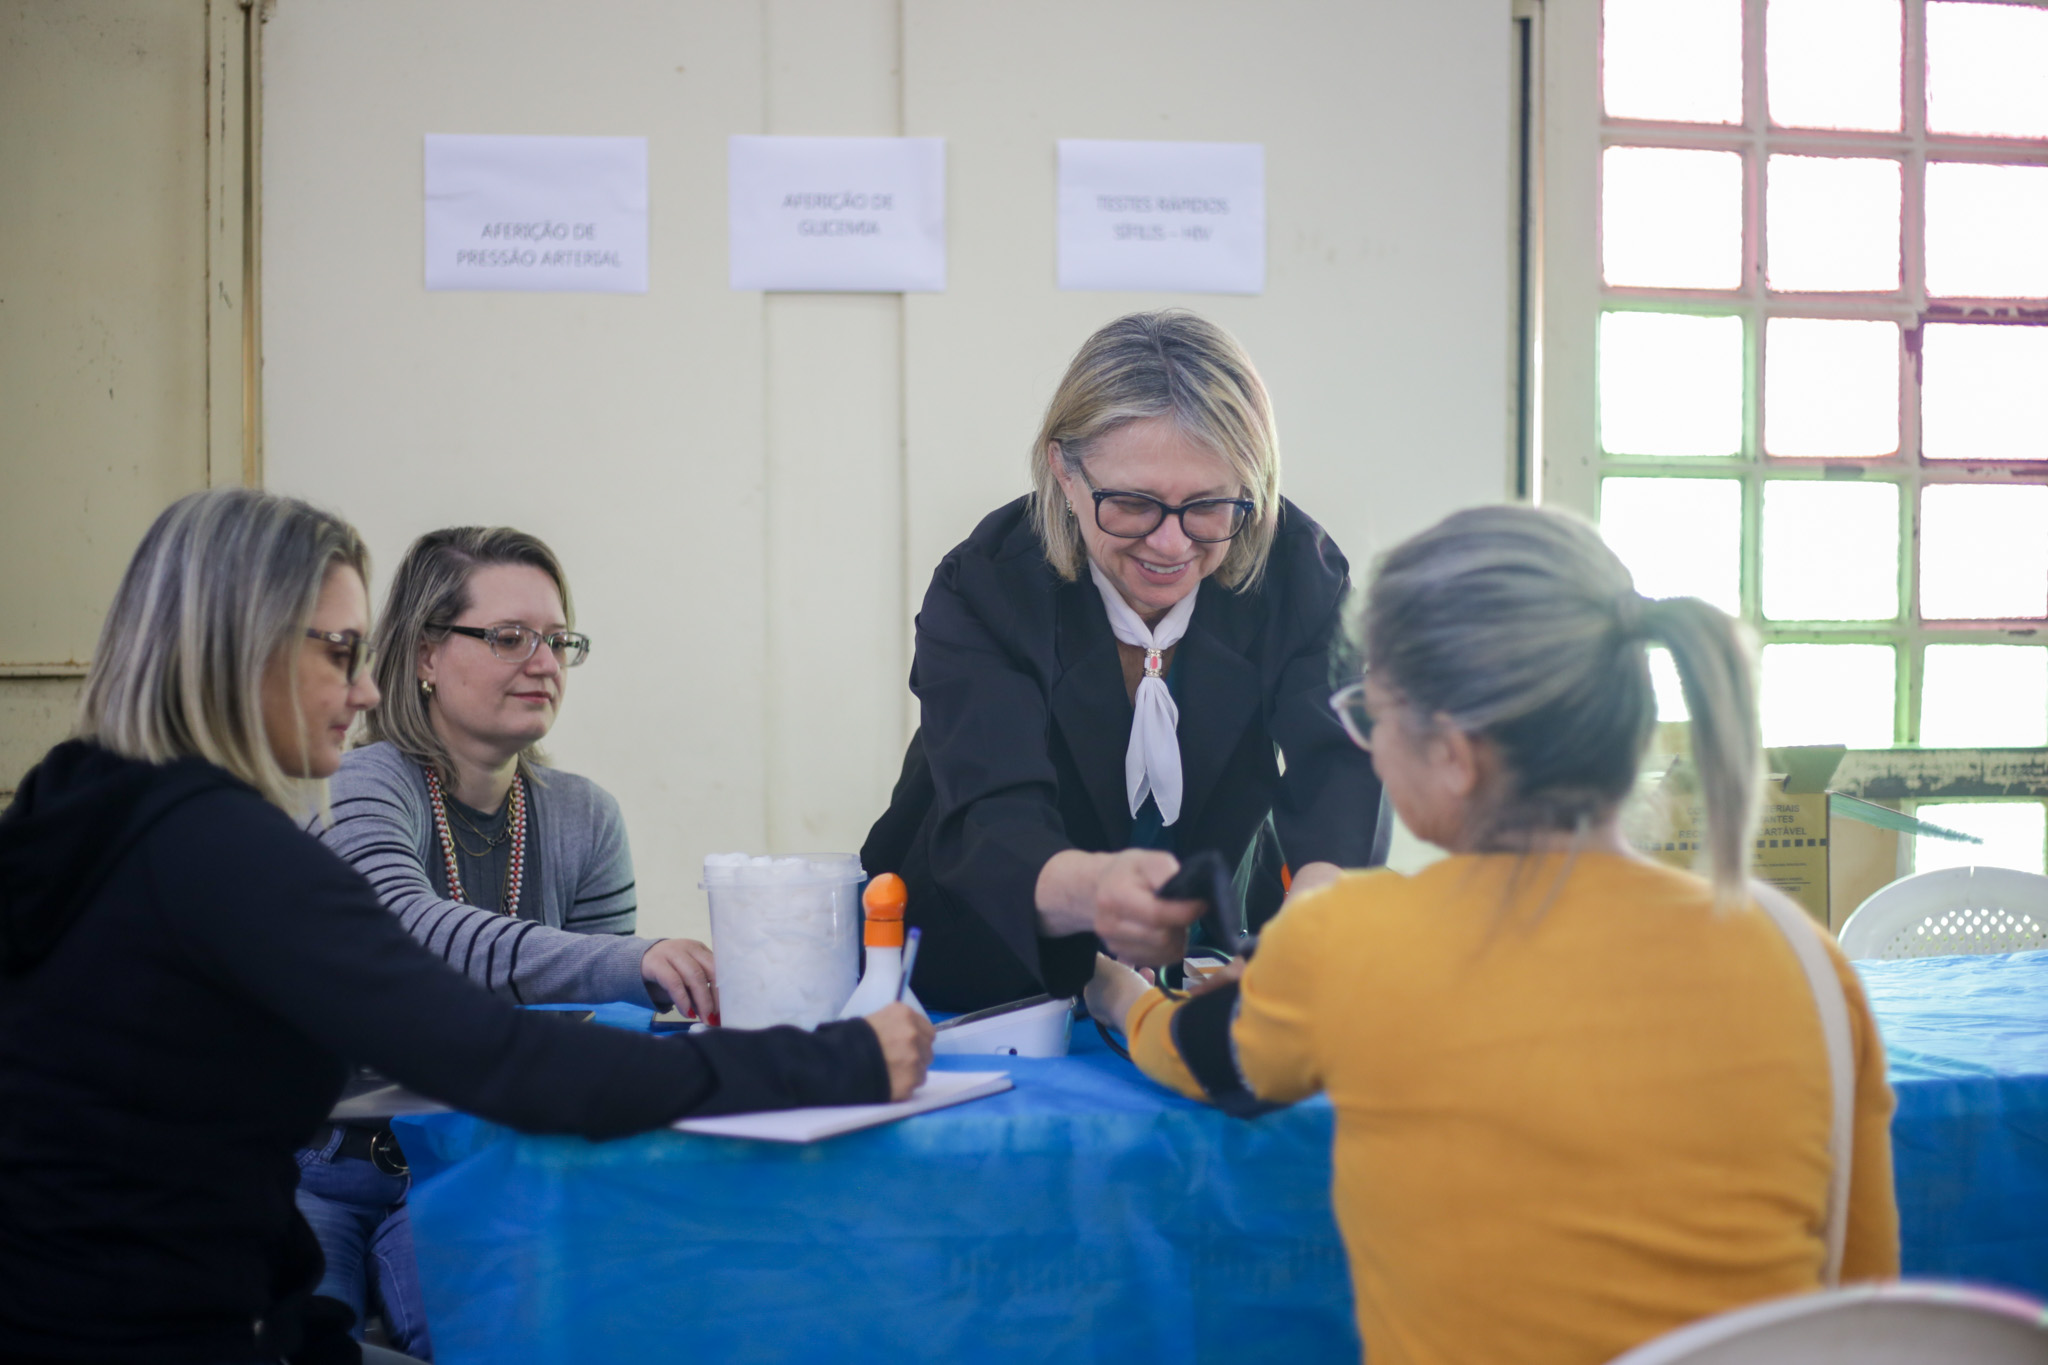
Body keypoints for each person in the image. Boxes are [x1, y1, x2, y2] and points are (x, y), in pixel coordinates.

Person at [0, 489, 932, 1365]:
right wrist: (835, 1060)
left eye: (556, 639)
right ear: (241, 648)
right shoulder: (223, 847)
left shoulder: (91, 805)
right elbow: (508, 1060)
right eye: (338, 652)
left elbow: (182, 1156)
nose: (362, 692)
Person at [1088, 505, 1900, 1365]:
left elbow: (1198, 1055)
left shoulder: (1352, 941)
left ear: (1456, 754)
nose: (1365, 740)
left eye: (1374, 710)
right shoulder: (1804, 955)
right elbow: (1866, 1302)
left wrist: (1113, 986)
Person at [862, 310, 1387, 1011]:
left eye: (1207, 505)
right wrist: (1095, 924)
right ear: (1064, 471)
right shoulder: (987, 586)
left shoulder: (1295, 569)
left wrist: (1316, 918)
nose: (1171, 544)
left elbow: (1343, 762)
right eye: (1133, 504)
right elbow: (995, 817)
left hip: (1209, 950)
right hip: (994, 952)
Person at [294, 527, 716, 1358]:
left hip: (484, 1159)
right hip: (327, 1169)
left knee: (494, 1333)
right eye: (509, 637)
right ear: (423, 653)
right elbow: (400, 931)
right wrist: (637, 963)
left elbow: (591, 1029)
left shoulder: (583, 815)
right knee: (300, 1340)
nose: (544, 661)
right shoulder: (362, 780)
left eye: (558, 640)